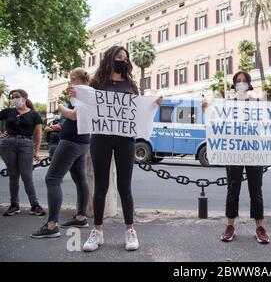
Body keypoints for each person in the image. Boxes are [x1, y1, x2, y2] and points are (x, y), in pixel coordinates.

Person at [69, 46, 162, 252]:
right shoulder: (97, 84)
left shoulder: (130, 84)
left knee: (124, 186)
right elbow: (84, 107)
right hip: (101, 138)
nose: (122, 60)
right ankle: (97, 231)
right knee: (101, 186)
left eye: (125, 58)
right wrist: (76, 95)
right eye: (119, 57)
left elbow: (138, 109)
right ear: (110, 59)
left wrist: (153, 104)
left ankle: (130, 230)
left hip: (125, 140)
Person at [203, 71, 271, 244]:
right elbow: (215, 123)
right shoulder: (226, 105)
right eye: (238, 81)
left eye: (244, 80)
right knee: (232, 190)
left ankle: (260, 227)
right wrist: (206, 110)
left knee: (256, 190)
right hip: (234, 153)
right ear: (234, 84)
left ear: (249, 84)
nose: (241, 83)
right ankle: (230, 226)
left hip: (255, 152)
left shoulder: (257, 104)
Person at [31, 69, 92, 239]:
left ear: (77, 79)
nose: (69, 84)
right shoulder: (88, 95)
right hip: (82, 140)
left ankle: (52, 225)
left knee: (52, 179)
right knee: (80, 179)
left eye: (71, 80)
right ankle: (80, 217)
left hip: (71, 141)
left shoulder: (82, 94)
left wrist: (60, 108)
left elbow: (73, 116)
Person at [0, 89, 46, 216]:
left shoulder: (34, 114)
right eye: (12, 97)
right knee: (13, 176)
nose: (14, 99)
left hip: (26, 144)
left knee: (27, 176)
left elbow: (38, 133)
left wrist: (36, 150)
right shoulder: (8, 112)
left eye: (17, 96)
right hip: (8, 144)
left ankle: (35, 205)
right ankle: (14, 205)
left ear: (25, 97)